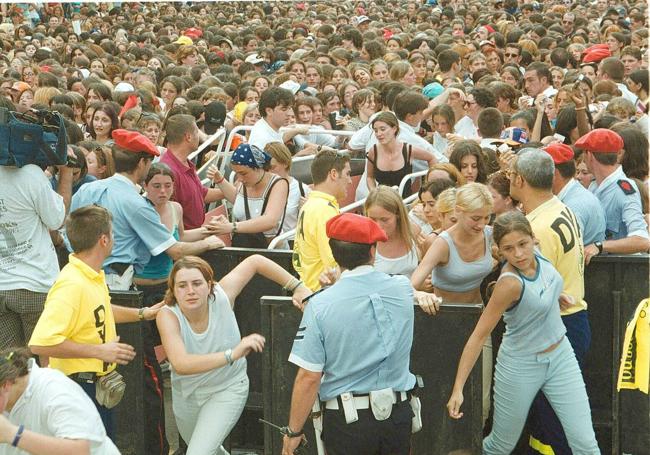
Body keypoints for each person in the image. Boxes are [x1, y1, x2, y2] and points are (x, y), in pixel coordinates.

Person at [282, 213, 440, 455]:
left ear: (335, 255)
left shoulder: (321, 304)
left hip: (348, 422)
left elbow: (308, 377)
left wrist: (293, 432)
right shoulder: (401, 287)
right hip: (398, 416)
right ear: (373, 251)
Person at [446, 211, 600, 454]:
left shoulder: (538, 255)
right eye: (508, 249)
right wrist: (458, 389)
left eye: (522, 244)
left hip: (561, 356)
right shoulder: (509, 283)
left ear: (533, 239)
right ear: (499, 250)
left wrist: (554, 297)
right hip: (520, 364)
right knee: (499, 447)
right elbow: (477, 336)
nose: (518, 254)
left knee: (586, 444)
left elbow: (543, 286)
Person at [28, 205, 163, 440]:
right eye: (113, 233)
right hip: (80, 389)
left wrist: (143, 313)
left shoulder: (90, 274)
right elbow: (40, 344)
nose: (115, 238)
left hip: (95, 388)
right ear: (103, 240)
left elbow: (100, 309)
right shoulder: (72, 285)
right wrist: (100, 351)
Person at [156, 255, 310, 455]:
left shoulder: (222, 294)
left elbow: (255, 261)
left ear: (210, 285)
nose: (191, 291)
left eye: (197, 283)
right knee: (206, 450)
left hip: (227, 388)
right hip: (187, 394)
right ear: (173, 291)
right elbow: (180, 364)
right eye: (182, 286)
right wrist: (231, 354)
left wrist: (296, 286)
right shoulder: (167, 315)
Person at [507, 148, 590, 454]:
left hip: (554, 329)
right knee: (550, 423)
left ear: (520, 179)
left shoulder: (535, 229)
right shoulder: (561, 208)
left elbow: (535, 291)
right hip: (573, 321)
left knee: (553, 425)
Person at [71, 129, 223, 290]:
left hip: (79, 275)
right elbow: (176, 251)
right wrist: (207, 243)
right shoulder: (137, 205)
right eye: (150, 162)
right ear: (142, 163)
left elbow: (66, 232)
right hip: (113, 283)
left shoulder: (87, 189)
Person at [411, 182, 495, 422]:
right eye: (475, 218)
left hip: (478, 323)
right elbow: (411, 283)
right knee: (441, 394)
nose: (481, 224)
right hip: (442, 325)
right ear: (457, 211)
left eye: (486, 217)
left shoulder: (490, 235)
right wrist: (420, 295)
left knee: (482, 400)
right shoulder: (442, 243)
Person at [0, 148, 72, 349]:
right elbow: (57, 220)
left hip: (2, 286)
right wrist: (66, 174)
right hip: (35, 284)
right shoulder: (32, 174)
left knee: (10, 368)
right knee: (45, 362)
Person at [0, 348, 120, 455]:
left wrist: (13, 435)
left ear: (6, 385)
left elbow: (80, 451)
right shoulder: (8, 401)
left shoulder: (54, 389)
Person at [574, 129, 650, 261]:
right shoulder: (593, 185)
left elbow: (642, 240)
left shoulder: (624, 190)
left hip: (621, 272)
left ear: (590, 155)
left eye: (584, 153)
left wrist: (601, 246)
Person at [206, 143, 289, 247]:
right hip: (245, 248)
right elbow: (239, 201)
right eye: (236, 173)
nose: (239, 178)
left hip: (271, 251)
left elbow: (270, 220)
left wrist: (231, 227)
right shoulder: (244, 182)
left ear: (258, 168)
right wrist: (220, 180)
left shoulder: (279, 184)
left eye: (244, 173)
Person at [292, 150, 351, 291]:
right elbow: (334, 262)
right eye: (348, 174)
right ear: (334, 174)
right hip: (322, 293)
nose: (350, 181)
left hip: (309, 290)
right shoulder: (324, 210)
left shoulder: (309, 205)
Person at [159, 114, 224, 230]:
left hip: (195, 235)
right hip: (186, 241)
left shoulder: (186, 162)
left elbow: (201, 193)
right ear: (188, 137)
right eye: (197, 132)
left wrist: (229, 189)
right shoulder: (168, 172)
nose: (199, 137)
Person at [544, 143, 606, 246]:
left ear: (554, 173)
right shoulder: (573, 194)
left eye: (540, 171)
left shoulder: (574, 205)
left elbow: (568, 251)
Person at [366, 112, 435, 197]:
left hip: (404, 202)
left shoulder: (408, 150)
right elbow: (369, 177)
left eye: (382, 129)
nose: (378, 134)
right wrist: (374, 193)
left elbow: (431, 158)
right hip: (383, 202)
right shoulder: (373, 151)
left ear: (394, 128)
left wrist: (430, 185)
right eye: (375, 130)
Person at [364, 185, 421, 277]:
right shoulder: (362, 243)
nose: (378, 225)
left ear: (398, 215)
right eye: (372, 219)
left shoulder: (414, 233)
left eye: (384, 220)